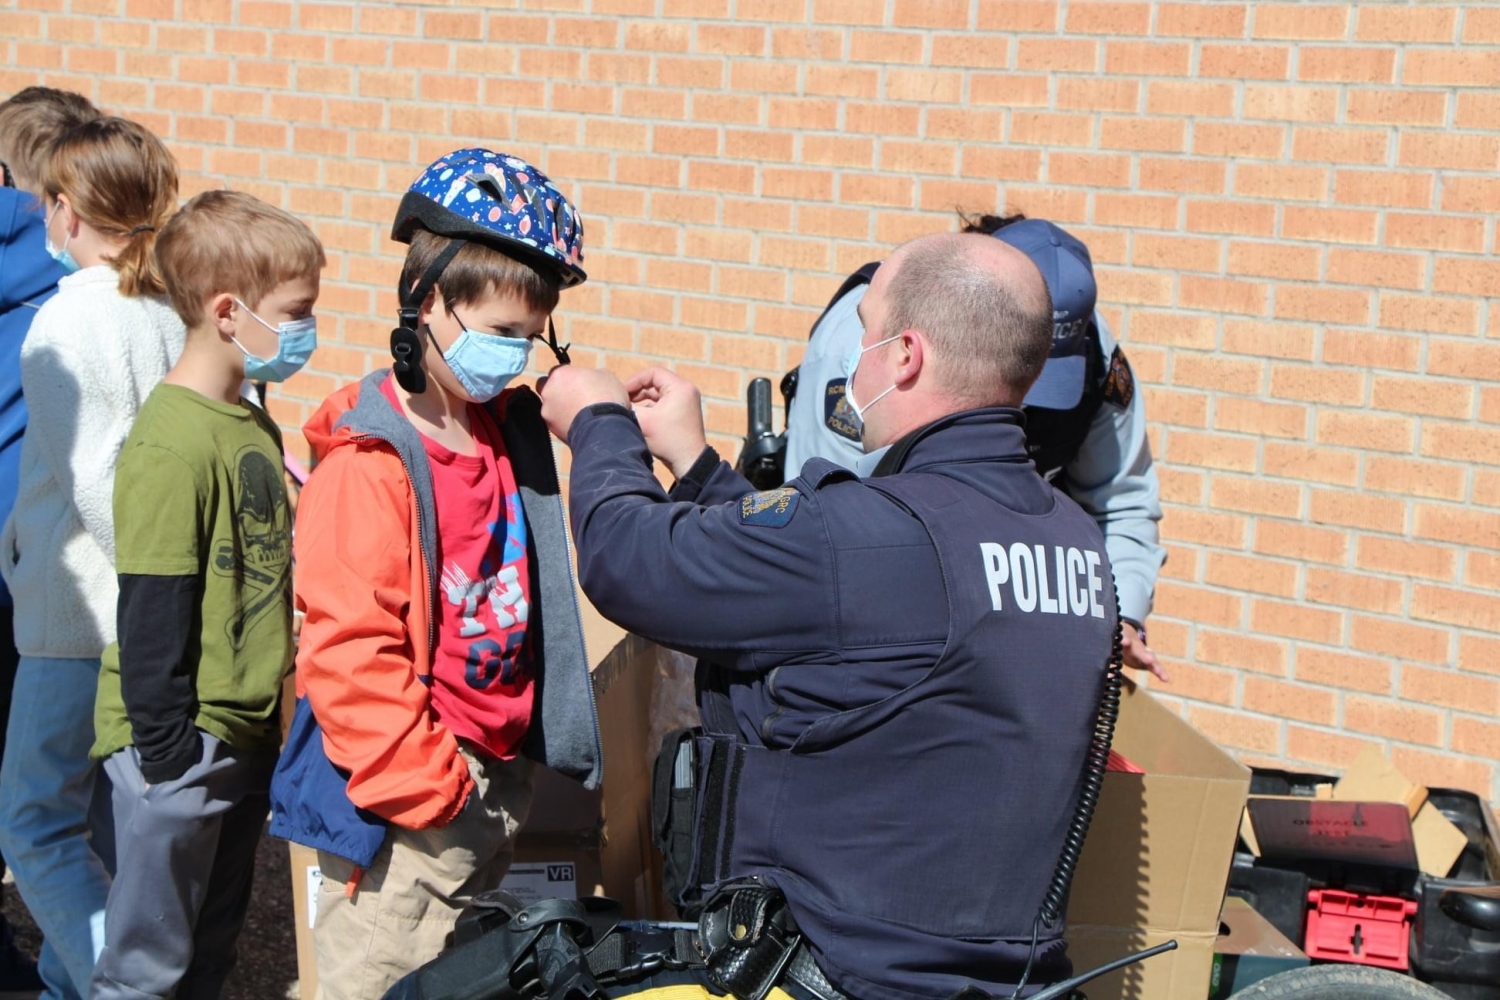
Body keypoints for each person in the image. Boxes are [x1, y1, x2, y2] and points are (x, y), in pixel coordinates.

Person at [537, 232, 1117, 1000]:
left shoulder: (874, 535)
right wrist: (701, 468)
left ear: (907, 356)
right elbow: (849, 600)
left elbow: (629, 562)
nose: (857, 360)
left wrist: (599, 422)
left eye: (869, 333)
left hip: (833, 976)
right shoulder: (1073, 539)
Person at [268, 149, 602, 1000]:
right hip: (416, 795)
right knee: (378, 982)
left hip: (492, 777)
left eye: (529, 339)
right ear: (427, 305)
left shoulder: (494, 430)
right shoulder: (372, 462)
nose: (514, 357)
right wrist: (431, 788)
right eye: (497, 334)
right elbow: (348, 648)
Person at [85, 190, 324, 999]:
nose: (305, 331)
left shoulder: (252, 423)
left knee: (207, 957)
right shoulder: (170, 443)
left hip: (244, 734)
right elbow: (151, 607)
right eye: (297, 311)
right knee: (145, 973)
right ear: (229, 312)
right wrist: (167, 756)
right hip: (182, 743)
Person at [782, 214, 1167, 681]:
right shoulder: (860, 350)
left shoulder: (1093, 352)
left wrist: (1120, 614)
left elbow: (1120, 500)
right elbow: (828, 531)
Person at [0, 114, 182, 1000]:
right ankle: (74, 983)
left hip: (76, 617)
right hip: (144, 624)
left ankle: (120, 986)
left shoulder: (64, 324)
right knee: (106, 827)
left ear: (65, 211)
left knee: (33, 828)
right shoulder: (172, 309)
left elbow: (96, 481)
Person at [0, 83, 100, 1000]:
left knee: (31, 808)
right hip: (56, 571)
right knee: (61, 797)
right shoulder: (93, 277)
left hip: (36, 566)